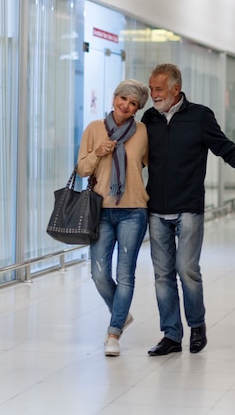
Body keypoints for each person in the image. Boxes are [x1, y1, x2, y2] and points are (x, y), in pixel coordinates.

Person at [142, 63, 235, 356]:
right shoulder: (148, 118)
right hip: (156, 209)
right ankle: (172, 335)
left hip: (188, 206)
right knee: (162, 275)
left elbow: (225, 147)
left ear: (176, 88)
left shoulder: (199, 116)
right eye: (150, 89)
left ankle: (197, 326)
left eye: (158, 89)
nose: (153, 94)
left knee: (187, 270)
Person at [76, 79, 150, 357]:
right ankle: (121, 312)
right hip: (101, 211)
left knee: (125, 274)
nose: (126, 106)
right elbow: (82, 169)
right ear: (114, 98)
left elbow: (155, 165)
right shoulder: (94, 129)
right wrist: (98, 152)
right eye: (124, 99)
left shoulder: (142, 132)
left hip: (134, 211)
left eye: (133, 104)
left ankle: (113, 332)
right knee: (98, 273)